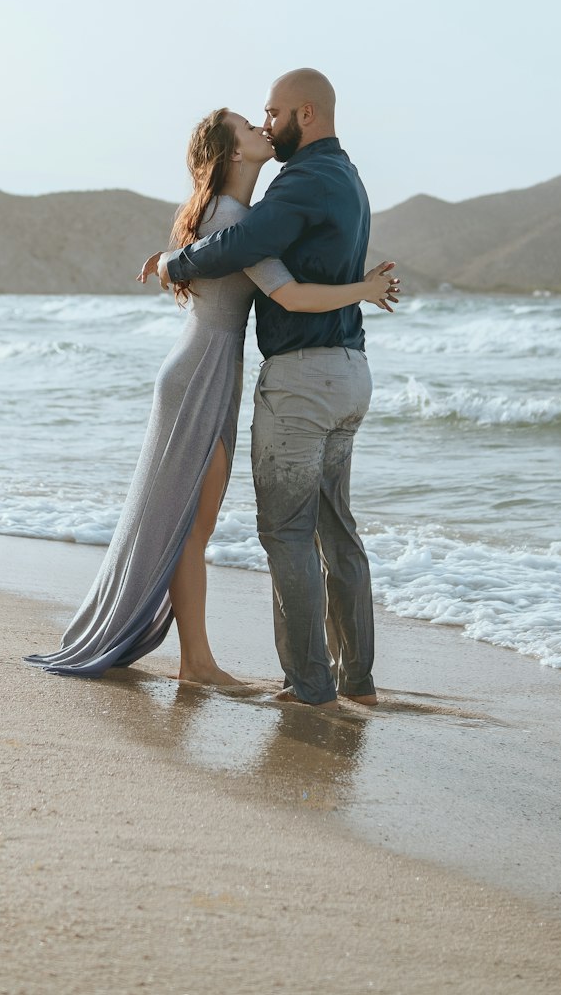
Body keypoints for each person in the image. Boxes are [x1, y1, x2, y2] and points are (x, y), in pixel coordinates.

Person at [25, 106, 397, 685]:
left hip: (208, 368)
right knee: (191, 527)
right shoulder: (233, 219)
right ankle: (196, 663)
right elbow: (293, 297)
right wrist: (365, 290)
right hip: (200, 372)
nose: (263, 130)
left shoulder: (240, 216)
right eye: (251, 127)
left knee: (188, 524)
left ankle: (196, 659)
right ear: (232, 152)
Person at [161, 69, 397, 709]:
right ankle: (358, 682)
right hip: (350, 371)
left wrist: (172, 263)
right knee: (336, 528)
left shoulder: (303, 180)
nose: (267, 124)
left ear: (307, 113)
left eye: (273, 113)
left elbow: (246, 242)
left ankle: (309, 686)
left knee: (288, 533)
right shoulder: (347, 176)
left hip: (304, 379)